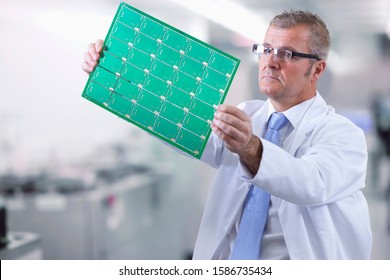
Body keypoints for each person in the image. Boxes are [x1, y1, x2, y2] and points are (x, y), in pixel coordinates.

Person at [82, 10, 372, 259]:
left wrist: (250, 147)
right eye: (267, 49)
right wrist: (113, 74)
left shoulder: (343, 136)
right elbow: (178, 126)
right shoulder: (248, 115)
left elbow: (310, 183)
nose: (271, 61)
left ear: (317, 69)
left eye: (287, 53)